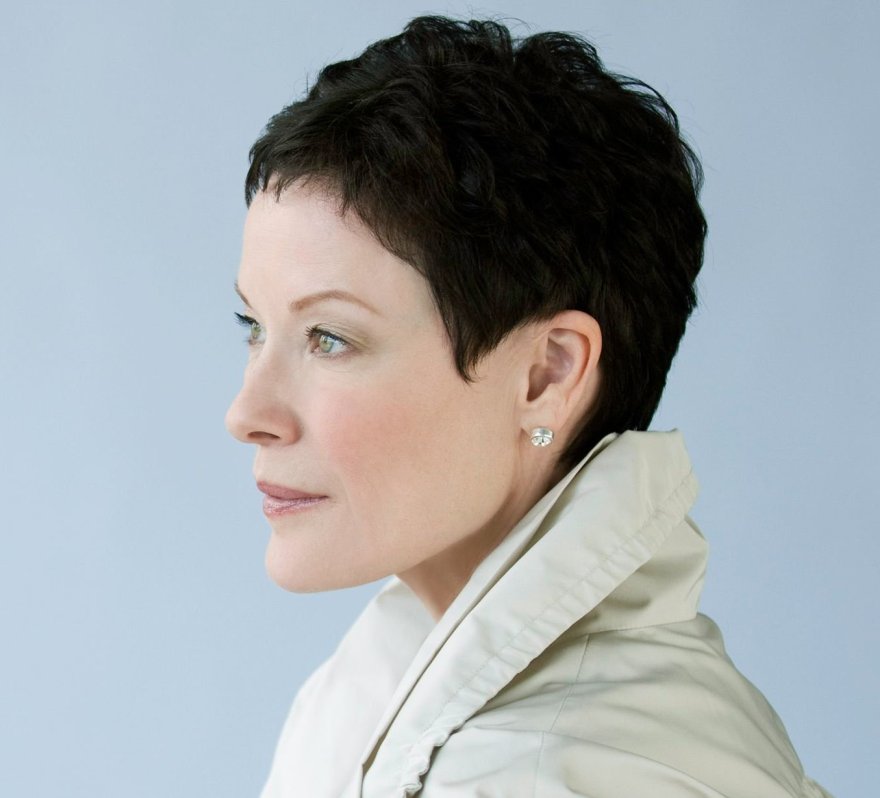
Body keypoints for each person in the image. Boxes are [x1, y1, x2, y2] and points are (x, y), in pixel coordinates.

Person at [224, 15, 829, 798]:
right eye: (253, 325)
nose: (247, 412)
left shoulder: (549, 775)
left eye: (330, 338)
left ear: (547, 375)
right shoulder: (376, 699)